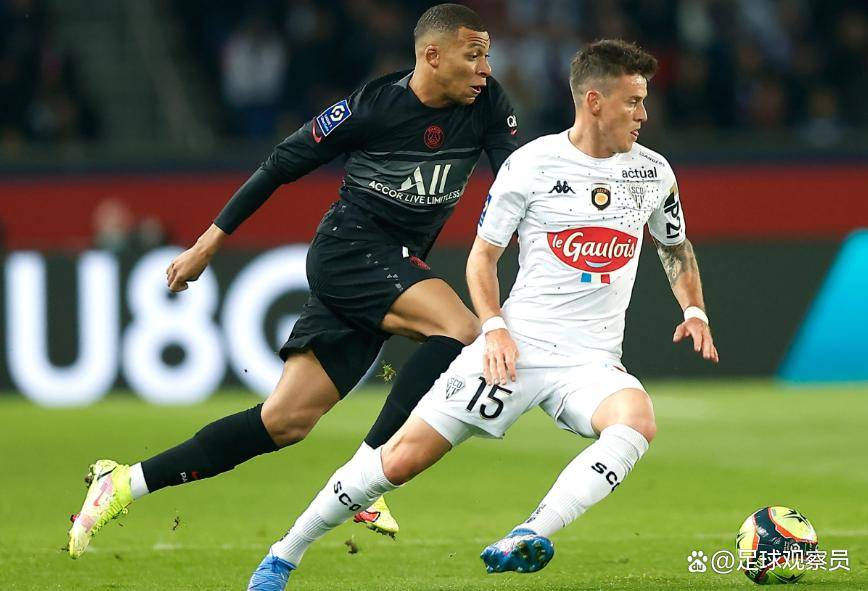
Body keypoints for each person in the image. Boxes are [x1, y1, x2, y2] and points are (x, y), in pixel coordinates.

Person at [247, 39, 719, 589]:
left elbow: (675, 246)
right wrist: (493, 329)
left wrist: (694, 309)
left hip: (591, 361)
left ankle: (530, 533)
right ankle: (284, 554)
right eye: (633, 101)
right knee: (398, 461)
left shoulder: (653, 173)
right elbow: (482, 259)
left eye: (644, 101)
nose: (644, 114)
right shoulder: (531, 165)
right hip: (515, 350)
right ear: (594, 101)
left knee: (636, 421)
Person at [67, 3, 518, 559]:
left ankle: (124, 482)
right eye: (474, 56)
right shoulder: (371, 107)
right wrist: (208, 243)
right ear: (432, 56)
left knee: (284, 421)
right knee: (463, 329)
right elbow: (281, 163)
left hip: (391, 265)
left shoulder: (487, 103)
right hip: (350, 251)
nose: (485, 69)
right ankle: (366, 472)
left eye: (487, 56)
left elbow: (518, 179)